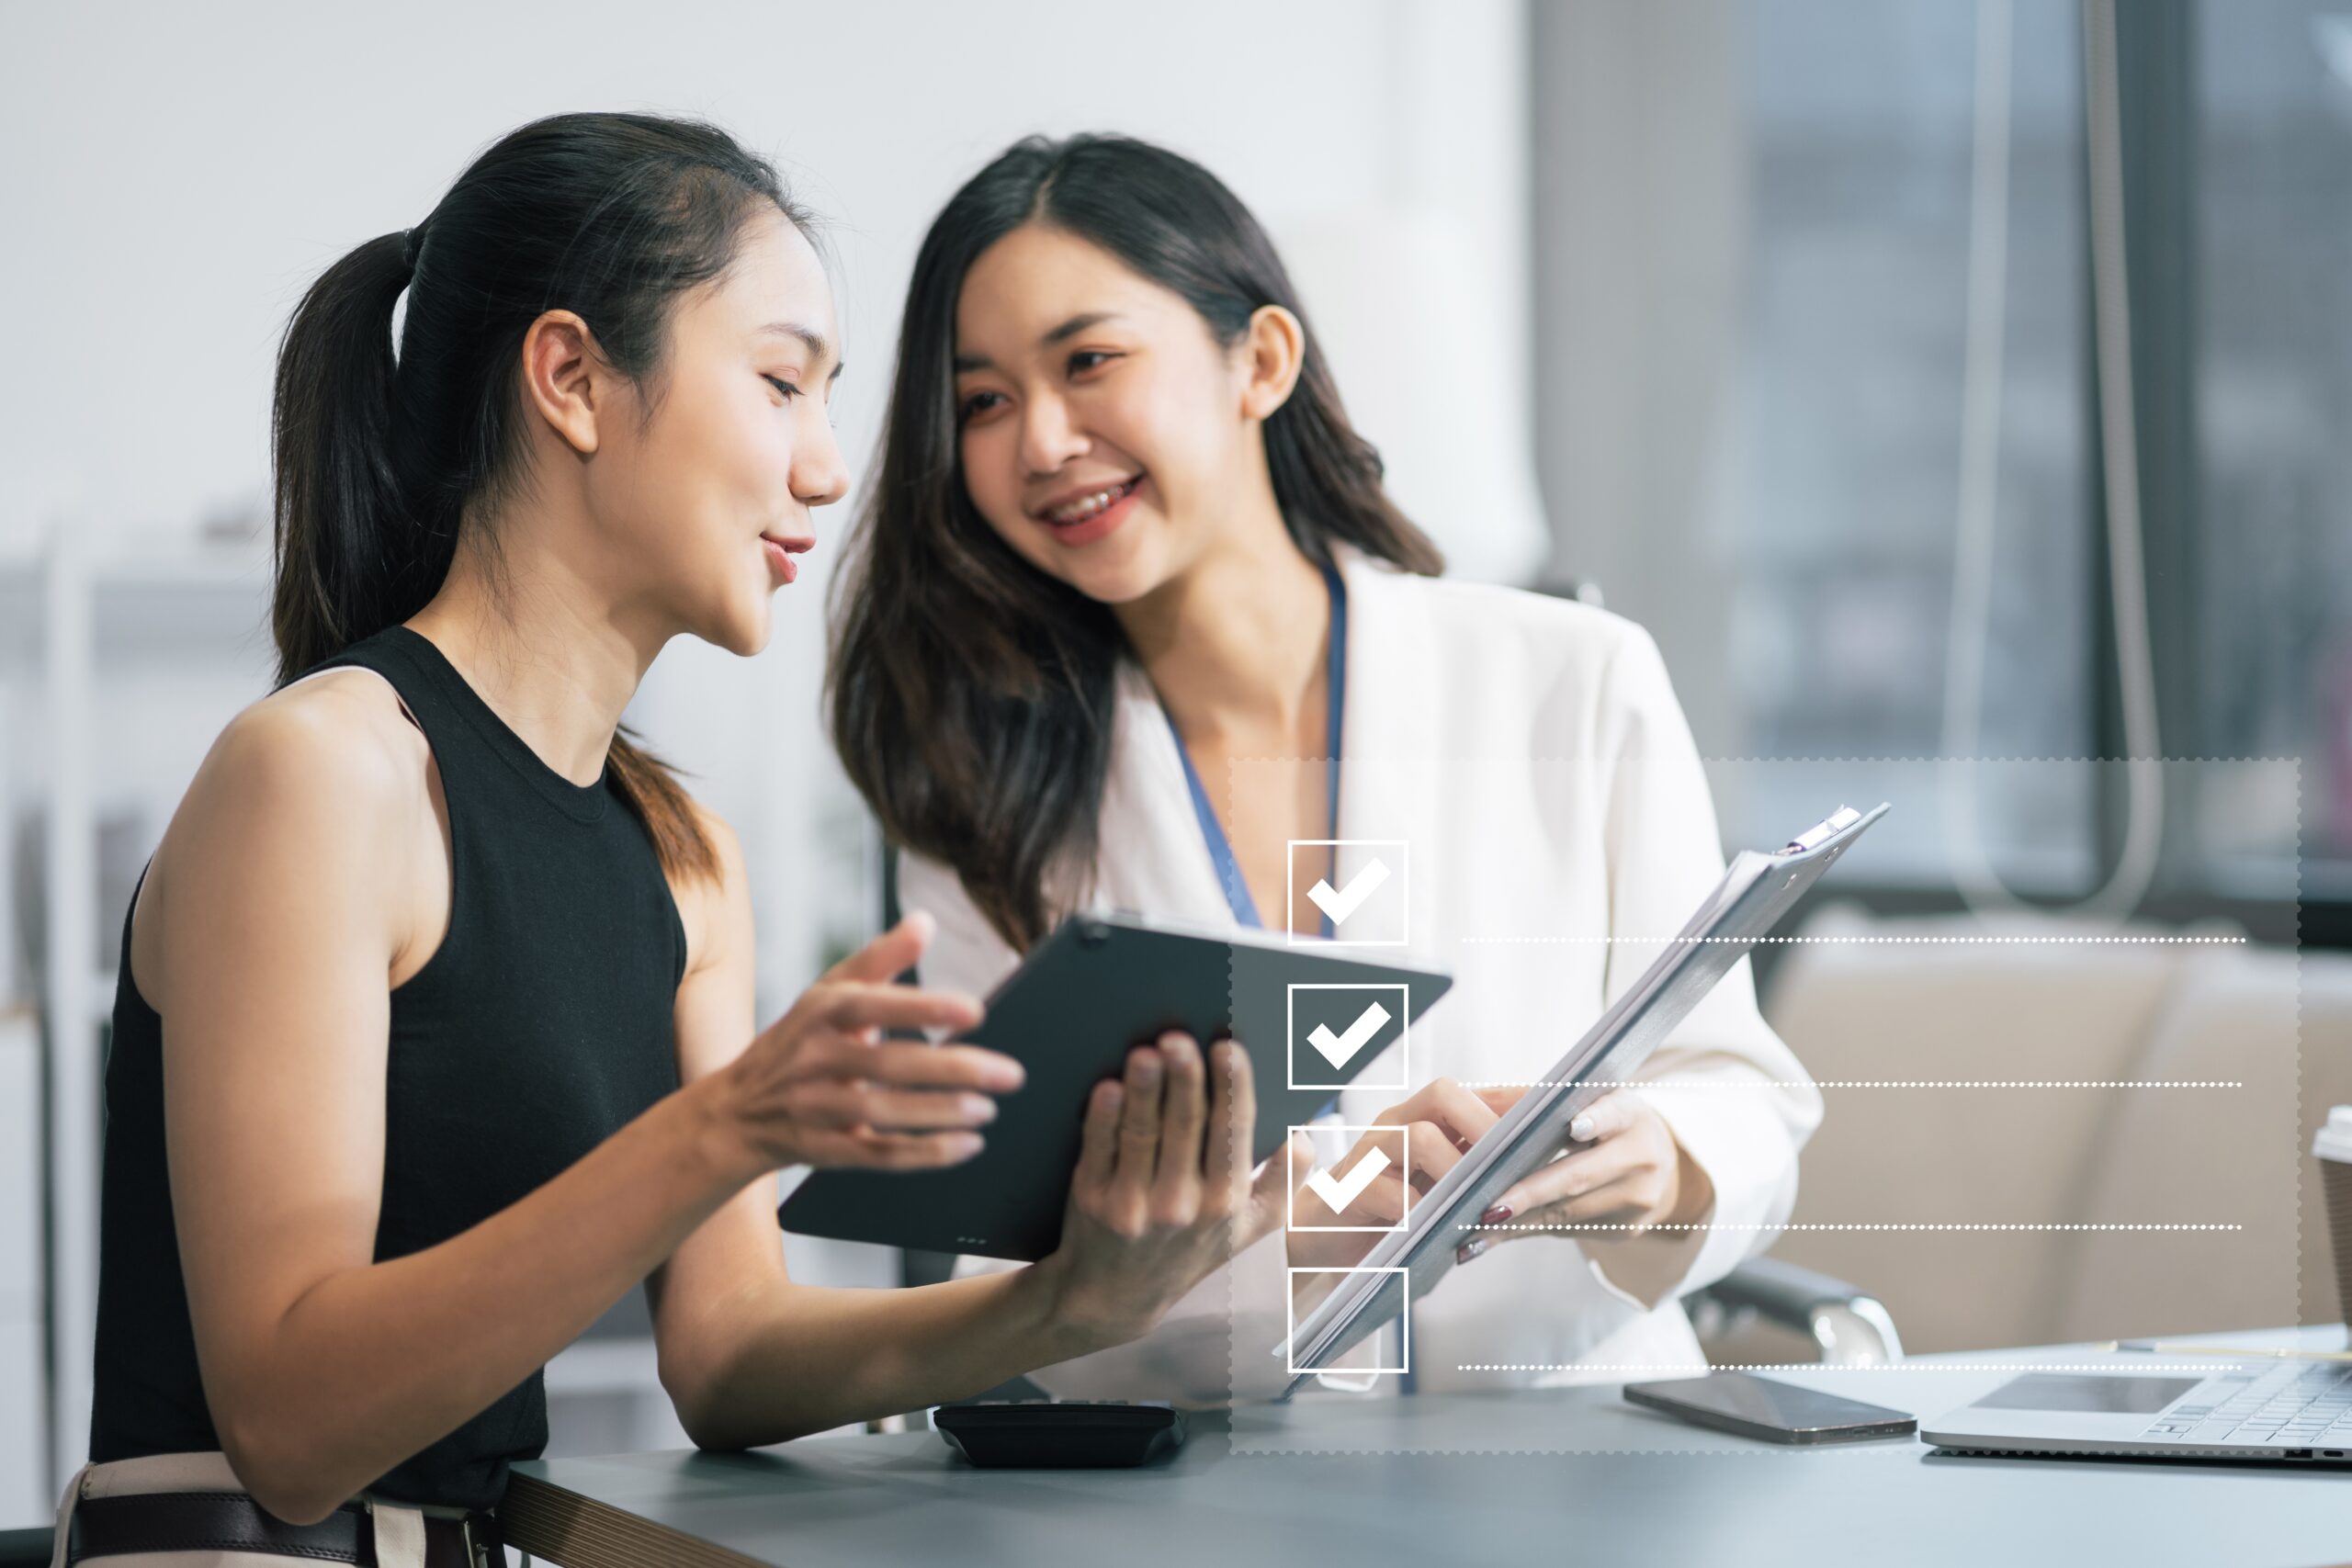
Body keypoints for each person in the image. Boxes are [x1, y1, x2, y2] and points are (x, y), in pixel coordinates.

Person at [64, 113, 1301, 1564]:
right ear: (575, 379)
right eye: (781, 383)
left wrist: (1075, 1303)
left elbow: (726, 1355)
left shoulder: (683, 856)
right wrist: (720, 1130)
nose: (828, 471)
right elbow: (289, 1424)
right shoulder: (326, 774)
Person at [830, 133, 1824, 1404]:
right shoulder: (983, 789)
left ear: (1263, 360)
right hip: (1203, 1479)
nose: (1043, 440)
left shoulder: (1573, 679)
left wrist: (1665, 1160)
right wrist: (1292, 1230)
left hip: (1581, 1454)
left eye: (1089, 363)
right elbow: (1014, 1260)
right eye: (983, 401)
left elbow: (1736, 1092)